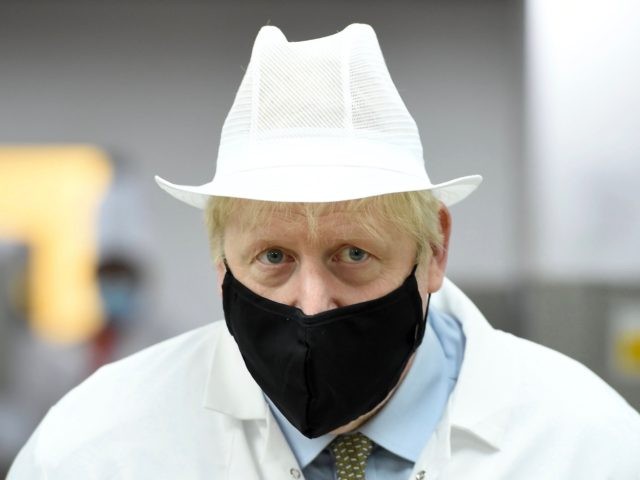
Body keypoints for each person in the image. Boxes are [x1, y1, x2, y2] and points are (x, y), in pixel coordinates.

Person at [8, 23, 640, 480]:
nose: (311, 305)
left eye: (354, 254)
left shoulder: (590, 448)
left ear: (436, 249)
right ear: (220, 261)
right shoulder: (94, 450)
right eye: (274, 258)